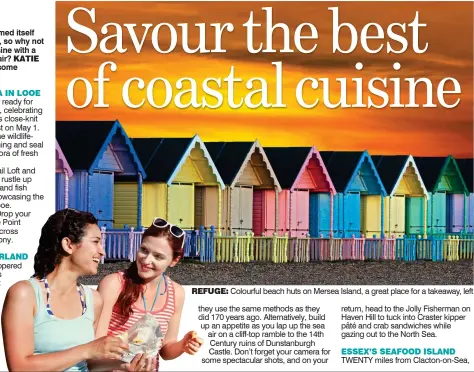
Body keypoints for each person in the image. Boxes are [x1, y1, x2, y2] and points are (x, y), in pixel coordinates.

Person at [1, 208, 147, 372]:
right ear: (68, 244)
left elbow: (91, 362)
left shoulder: (94, 300)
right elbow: (19, 367)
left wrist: (124, 366)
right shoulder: (24, 294)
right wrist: (87, 349)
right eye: (95, 241)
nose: (102, 251)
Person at [95, 217, 203, 371]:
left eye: (158, 256)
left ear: (174, 260)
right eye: (144, 250)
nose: (146, 260)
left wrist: (182, 346)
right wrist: (124, 366)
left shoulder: (176, 293)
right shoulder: (114, 284)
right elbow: (95, 347)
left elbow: (165, 350)